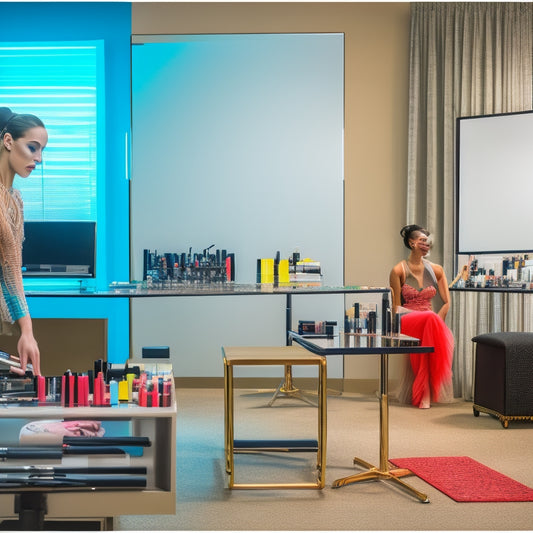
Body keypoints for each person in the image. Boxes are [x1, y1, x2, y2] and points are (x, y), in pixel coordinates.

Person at [0, 107, 48, 375]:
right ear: (8, 141)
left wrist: (27, 332)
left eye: (42, 150)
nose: (38, 158)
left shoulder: (13, 200)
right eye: (32, 147)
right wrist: (26, 331)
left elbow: (10, 272)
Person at [389, 224, 454, 408]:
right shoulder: (398, 270)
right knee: (428, 320)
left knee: (429, 325)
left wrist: (437, 325)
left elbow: (446, 302)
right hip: (406, 318)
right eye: (422, 241)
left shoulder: (437, 270)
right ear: (412, 243)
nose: (427, 244)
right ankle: (423, 392)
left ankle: (424, 391)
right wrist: (430, 319)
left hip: (429, 320)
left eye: (428, 241)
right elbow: (396, 308)